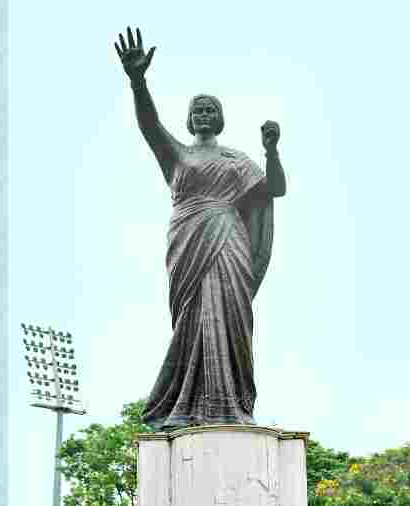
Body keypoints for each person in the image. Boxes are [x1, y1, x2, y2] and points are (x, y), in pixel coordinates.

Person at [114, 27, 287, 430]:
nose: (205, 113)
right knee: (193, 316)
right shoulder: (177, 155)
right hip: (188, 239)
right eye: (199, 109)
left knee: (230, 315)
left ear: (221, 118)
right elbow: (148, 125)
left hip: (228, 239)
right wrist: (138, 81)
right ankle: (186, 403)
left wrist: (272, 150)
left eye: (211, 109)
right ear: (190, 118)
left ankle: (230, 404)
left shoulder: (237, 160)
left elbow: (275, 188)